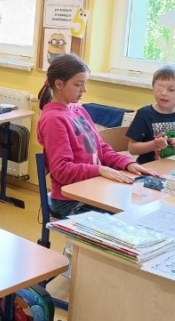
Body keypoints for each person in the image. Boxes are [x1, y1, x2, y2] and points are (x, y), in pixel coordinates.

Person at [36, 53, 155, 217]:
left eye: (85, 83)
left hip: (93, 188)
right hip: (70, 199)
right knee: (129, 216)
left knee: (142, 204)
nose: (84, 89)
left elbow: (101, 148)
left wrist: (126, 163)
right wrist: (99, 170)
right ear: (59, 84)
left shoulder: (79, 110)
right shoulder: (53, 119)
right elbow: (61, 170)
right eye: (78, 84)